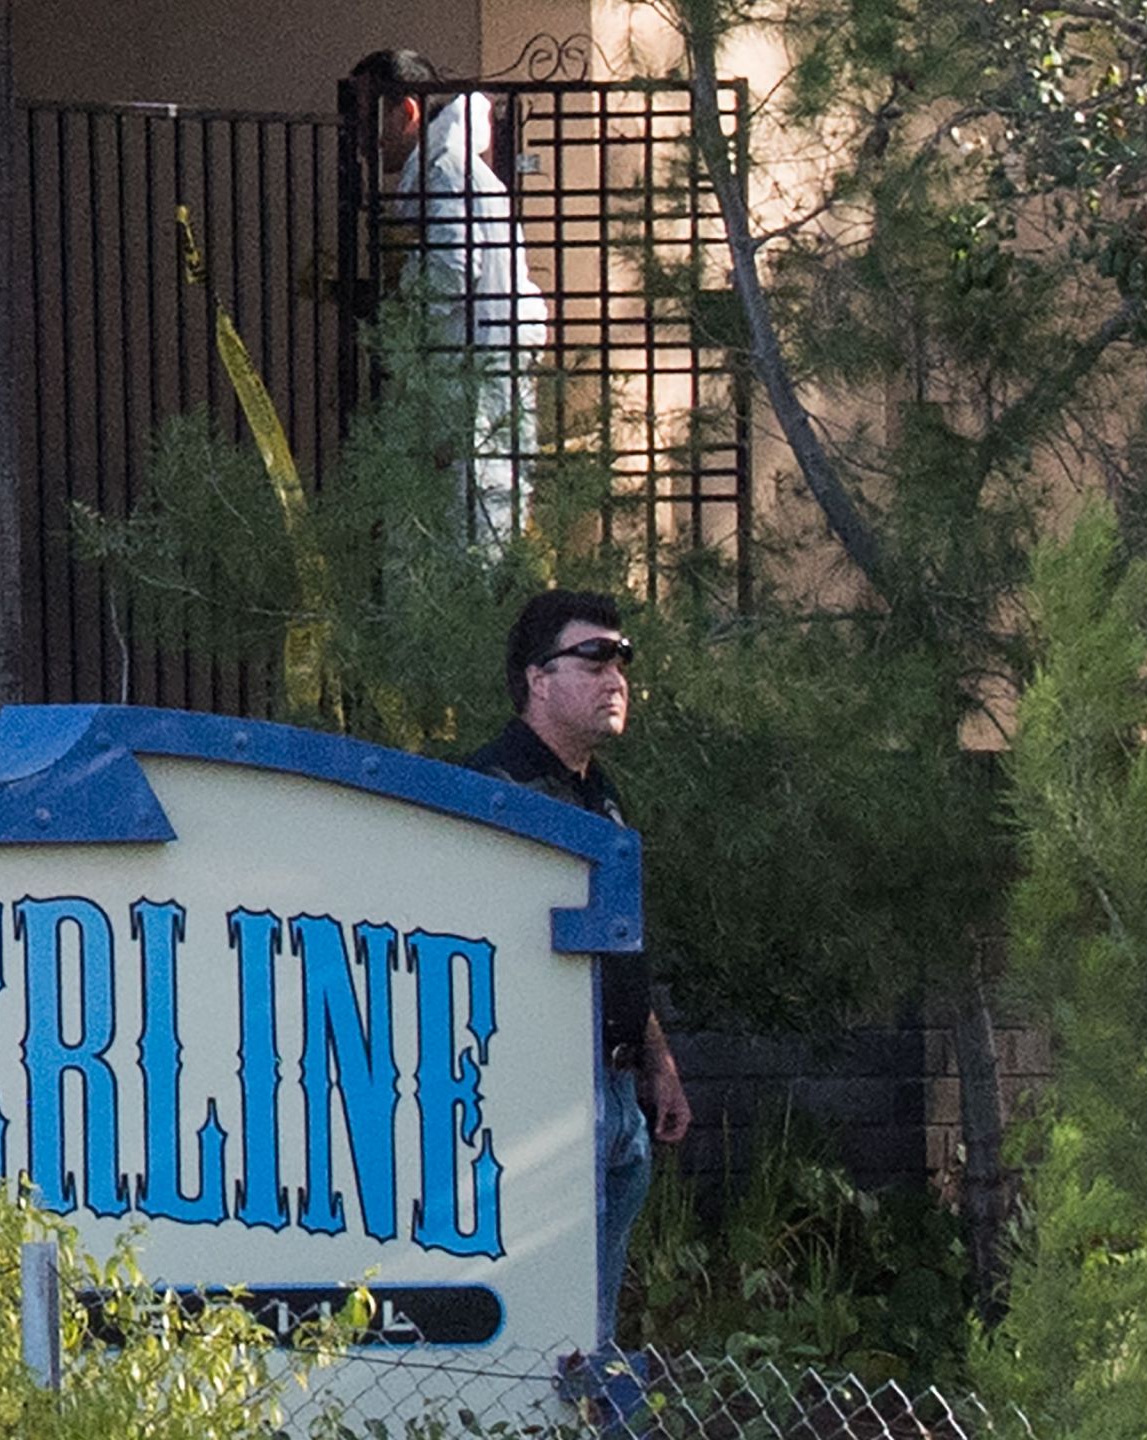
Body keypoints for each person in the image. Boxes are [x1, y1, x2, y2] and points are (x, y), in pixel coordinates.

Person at [465, 589, 689, 1340]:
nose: (616, 675)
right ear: (537, 678)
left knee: (591, 1322)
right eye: (593, 657)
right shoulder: (492, 790)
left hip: (618, 1091)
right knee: (539, 1327)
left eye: (622, 658)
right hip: (540, 1096)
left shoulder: (601, 793)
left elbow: (614, 937)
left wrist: (657, 1060)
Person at [350, 50, 550, 549]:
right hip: (474, 374)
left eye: (370, 115)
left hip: (471, 379)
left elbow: (452, 271)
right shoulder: (451, 170)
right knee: (477, 524)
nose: (361, 134)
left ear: (408, 111)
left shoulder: (444, 173)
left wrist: (394, 312)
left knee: (474, 532)